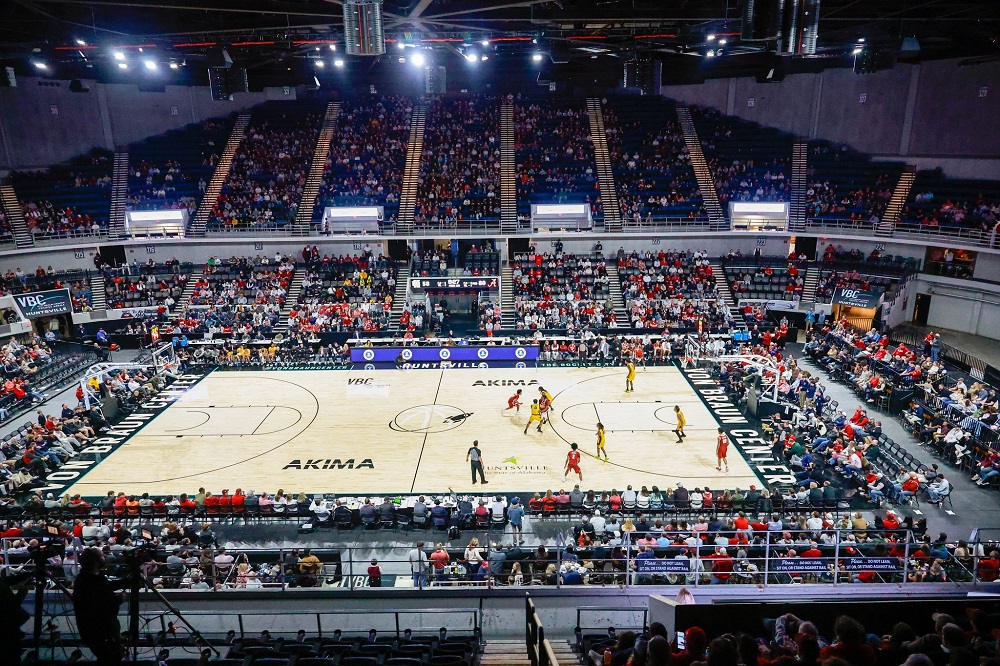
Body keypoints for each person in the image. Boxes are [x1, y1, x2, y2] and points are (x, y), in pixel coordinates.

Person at [73, 547, 125, 666]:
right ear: (96, 561)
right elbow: (101, 606)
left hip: (101, 628)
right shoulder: (89, 581)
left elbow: (106, 587)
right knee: (110, 657)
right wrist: (119, 599)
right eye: (102, 556)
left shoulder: (90, 577)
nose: (104, 557)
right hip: (99, 630)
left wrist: (127, 581)